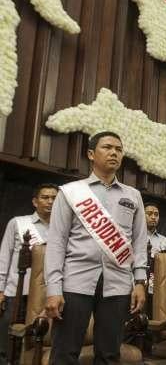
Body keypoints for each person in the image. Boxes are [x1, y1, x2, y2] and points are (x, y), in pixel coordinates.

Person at [44, 131, 148, 364]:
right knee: (64, 353)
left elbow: (140, 242)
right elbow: (57, 242)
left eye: (119, 149)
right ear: (91, 154)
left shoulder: (134, 195)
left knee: (110, 354)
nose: (114, 153)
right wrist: (53, 288)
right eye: (107, 147)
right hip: (76, 280)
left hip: (119, 283)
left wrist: (140, 281)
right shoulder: (71, 192)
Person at [0, 183, 57, 363]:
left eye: (54, 198)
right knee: (10, 341)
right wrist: (0, 290)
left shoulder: (63, 228)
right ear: (35, 201)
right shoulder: (18, 223)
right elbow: (4, 257)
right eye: (45, 197)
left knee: (38, 340)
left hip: (48, 295)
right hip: (17, 293)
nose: (50, 201)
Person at [144, 202, 166, 295]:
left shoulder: (165, 241)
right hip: (136, 284)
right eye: (149, 214)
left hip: (157, 286)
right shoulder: (135, 237)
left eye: (156, 214)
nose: (153, 217)